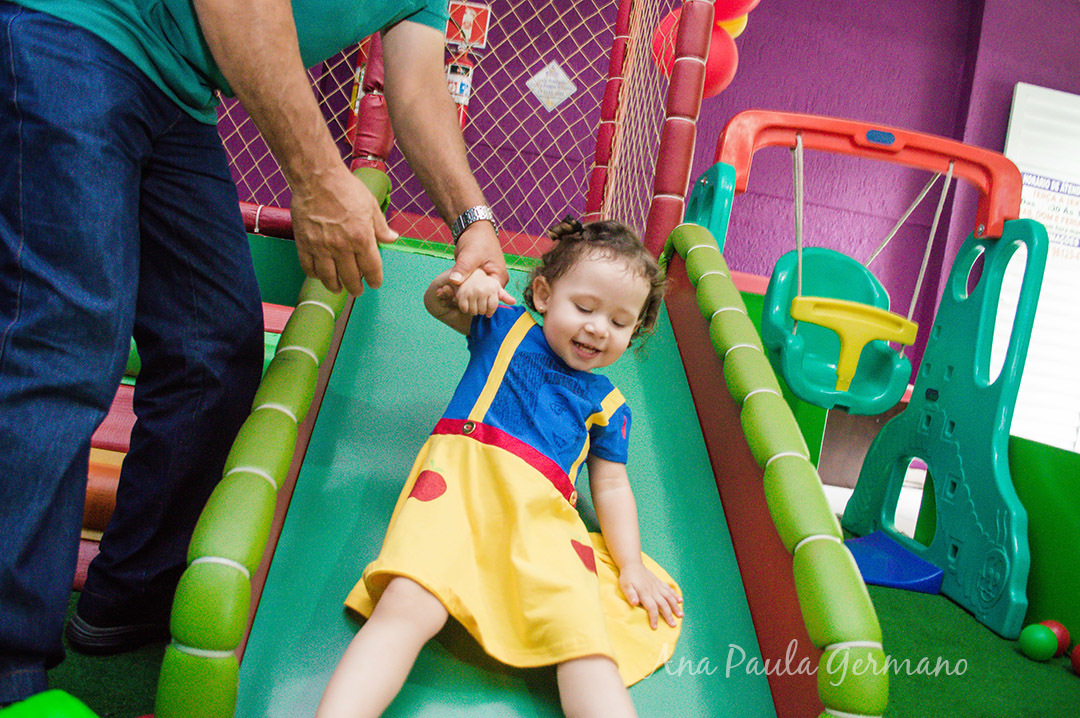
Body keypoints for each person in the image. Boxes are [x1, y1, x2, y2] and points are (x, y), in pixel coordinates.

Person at [0, 0, 508, 705]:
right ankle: (9, 666)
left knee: (215, 351)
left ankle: (128, 605)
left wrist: (471, 219)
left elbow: (418, 84)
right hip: (76, 32)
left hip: (176, 86)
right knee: (65, 343)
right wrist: (319, 177)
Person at [317, 219, 684, 718]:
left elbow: (613, 486)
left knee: (585, 640)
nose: (599, 328)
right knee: (408, 604)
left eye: (620, 323)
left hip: (542, 517)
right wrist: (468, 288)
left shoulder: (610, 403)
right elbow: (439, 303)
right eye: (584, 307)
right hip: (458, 492)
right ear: (543, 294)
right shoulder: (506, 328)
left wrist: (632, 563)